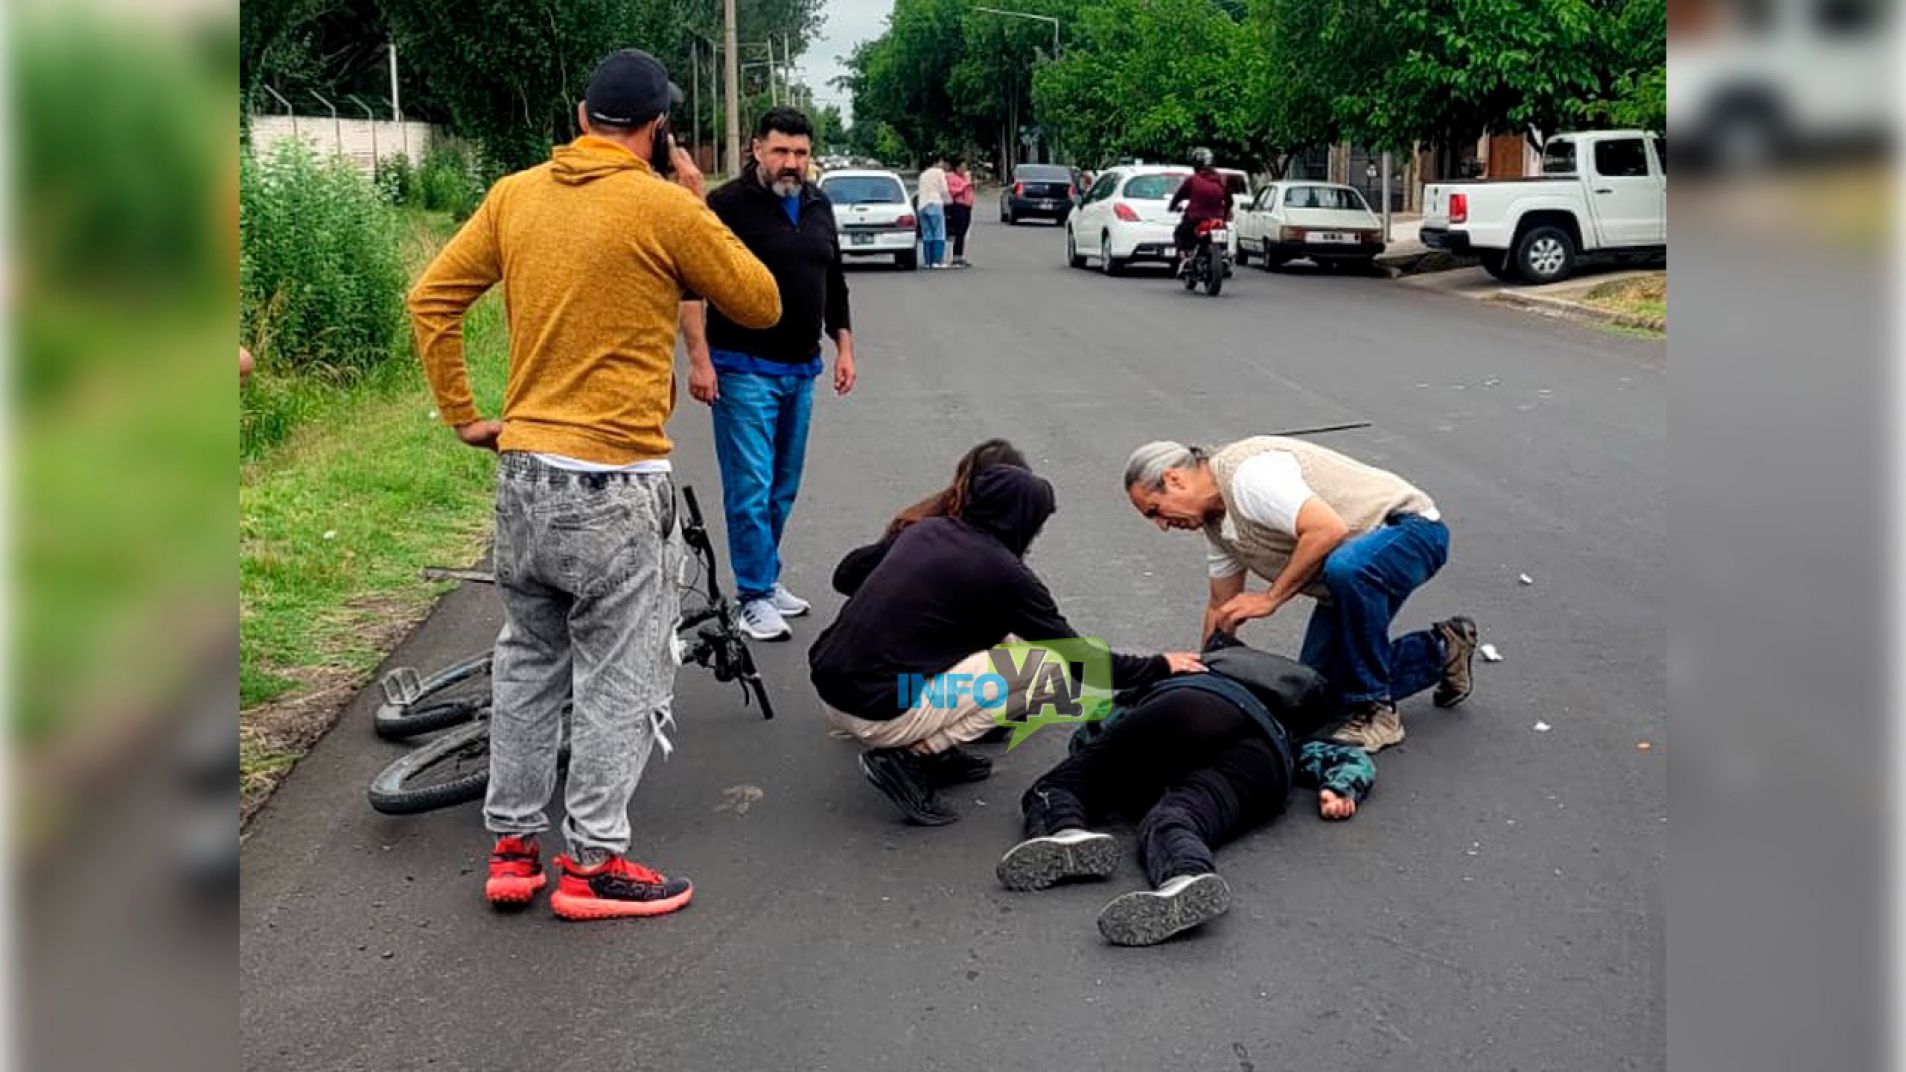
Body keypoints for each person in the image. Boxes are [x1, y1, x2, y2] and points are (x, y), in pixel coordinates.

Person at [407, 48, 781, 920]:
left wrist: (464, 413)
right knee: (619, 674)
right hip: (614, 480)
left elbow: (432, 300)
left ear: (582, 118)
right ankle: (594, 864)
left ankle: (513, 850)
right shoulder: (663, 205)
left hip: (525, 472)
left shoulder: (515, 195)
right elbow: (760, 302)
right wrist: (695, 203)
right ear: (658, 128)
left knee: (528, 660)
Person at [809, 463, 1206, 825]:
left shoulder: (926, 530)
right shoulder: (1005, 575)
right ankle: (913, 755)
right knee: (1049, 670)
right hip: (879, 711)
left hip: (832, 688)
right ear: (1025, 519)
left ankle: (928, 744)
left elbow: (849, 574)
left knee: (1007, 638)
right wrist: (1161, 665)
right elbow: (1082, 662)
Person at [998, 635, 1375, 946]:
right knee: (1177, 818)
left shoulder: (1192, 671)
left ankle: (1065, 829)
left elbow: (1099, 727)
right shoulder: (1286, 719)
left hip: (1194, 706)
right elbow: (1350, 758)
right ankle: (1185, 875)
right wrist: (1340, 790)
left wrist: (1096, 762)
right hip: (1266, 754)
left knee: (1059, 785)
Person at [1122, 437, 1479, 753]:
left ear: (1174, 479)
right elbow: (1221, 606)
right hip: (1351, 573)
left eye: (1156, 510)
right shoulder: (1218, 527)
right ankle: (1442, 650)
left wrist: (1271, 598)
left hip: (1410, 533)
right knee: (1308, 698)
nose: (1162, 525)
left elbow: (1327, 530)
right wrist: (1204, 677)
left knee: (1346, 567)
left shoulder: (1248, 478)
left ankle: (1377, 710)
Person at [682, 107, 857, 642]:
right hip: (742, 368)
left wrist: (844, 347)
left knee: (782, 487)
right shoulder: (727, 206)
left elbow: (834, 281)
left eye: (800, 153)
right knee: (750, 487)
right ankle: (753, 597)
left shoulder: (818, 204)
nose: (791, 163)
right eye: (780, 151)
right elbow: (691, 286)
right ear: (756, 149)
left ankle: (766, 577)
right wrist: (699, 360)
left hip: (800, 369)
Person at [1167, 147, 1231, 275]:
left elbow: (1179, 196)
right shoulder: (1221, 181)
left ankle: (1184, 258)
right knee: (1223, 234)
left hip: (1196, 218)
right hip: (1217, 219)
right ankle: (1224, 256)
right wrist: (1224, 215)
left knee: (1179, 234)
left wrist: (1172, 207)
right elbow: (1229, 200)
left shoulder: (1193, 180)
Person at [915, 154, 951, 269]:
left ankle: (928, 261)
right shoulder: (939, 172)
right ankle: (937, 261)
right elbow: (944, 190)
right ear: (937, 162)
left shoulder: (923, 174)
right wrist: (949, 201)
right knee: (939, 233)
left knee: (927, 234)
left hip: (922, 205)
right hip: (935, 203)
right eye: (941, 162)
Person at [945, 157, 976, 268]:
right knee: (959, 231)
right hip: (958, 206)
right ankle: (956, 257)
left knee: (963, 231)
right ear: (957, 168)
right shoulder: (951, 178)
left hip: (967, 206)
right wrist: (964, 186)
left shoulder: (965, 177)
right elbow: (952, 191)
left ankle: (960, 256)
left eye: (965, 167)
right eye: (962, 167)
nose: (964, 169)